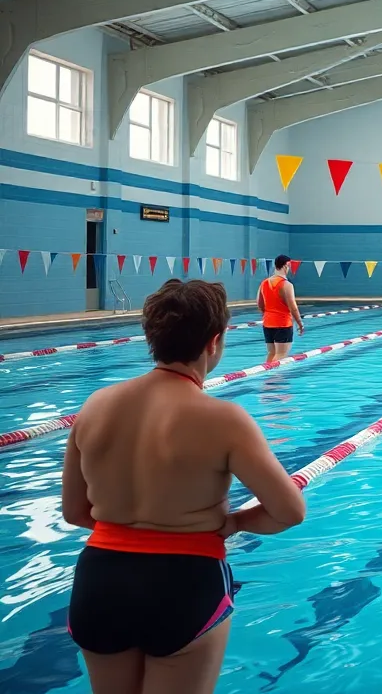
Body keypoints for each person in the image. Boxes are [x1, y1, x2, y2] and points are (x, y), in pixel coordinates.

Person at [62, 279, 307, 694]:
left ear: (151, 336)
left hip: (101, 581)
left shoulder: (95, 406)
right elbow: (290, 511)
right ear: (214, 342)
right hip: (185, 581)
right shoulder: (225, 419)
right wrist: (236, 522)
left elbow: (75, 512)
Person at [258, 255, 304, 363]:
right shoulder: (286, 285)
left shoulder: (264, 283)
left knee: (272, 353)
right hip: (283, 324)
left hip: (268, 323)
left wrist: (268, 314)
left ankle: (267, 377)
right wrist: (300, 323)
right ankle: (274, 380)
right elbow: (293, 308)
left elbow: (259, 303)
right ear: (286, 265)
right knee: (281, 355)